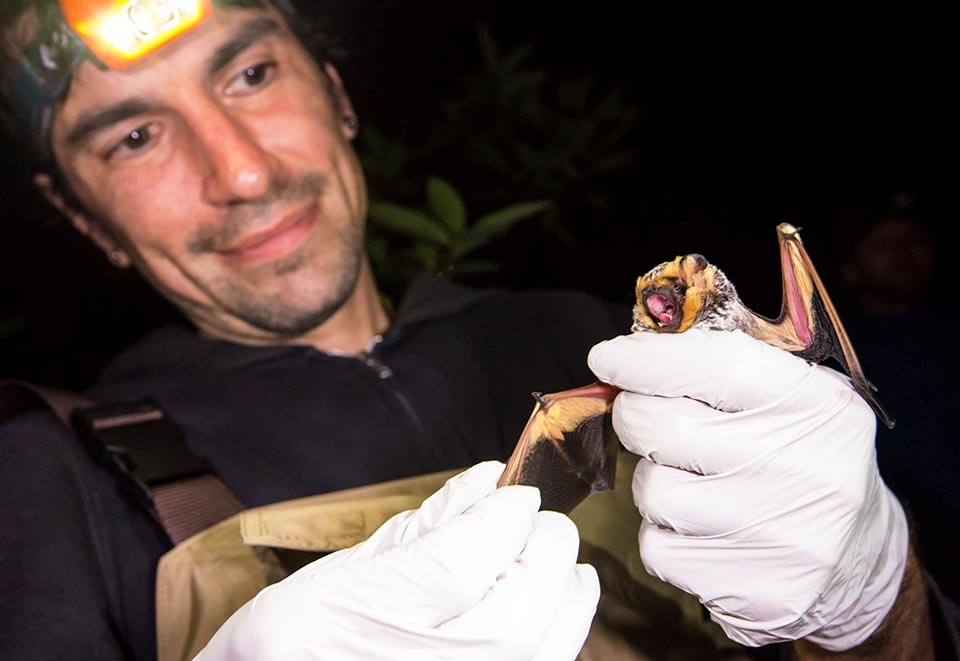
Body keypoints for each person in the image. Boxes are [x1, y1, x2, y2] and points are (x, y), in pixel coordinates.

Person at [0, 1, 953, 659]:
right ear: (83, 217)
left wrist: (873, 594)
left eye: (250, 74)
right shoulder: (49, 473)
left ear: (337, 94)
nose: (240, 172)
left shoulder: (584, 340)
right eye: (134, 136)